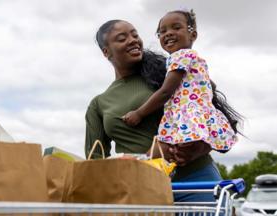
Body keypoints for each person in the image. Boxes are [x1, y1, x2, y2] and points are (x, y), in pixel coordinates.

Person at [85, 18, 242, 203]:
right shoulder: (99, 104)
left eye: (135, 35)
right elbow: (94, 161)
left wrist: (201, 147)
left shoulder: (170, 76)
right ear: (106, 51)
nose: (133, 40)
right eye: (122, 38)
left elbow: (212, 116)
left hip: (196, 181)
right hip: (140, 191)